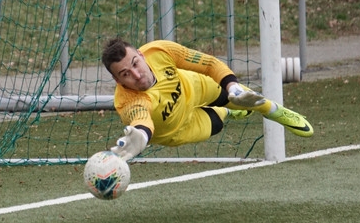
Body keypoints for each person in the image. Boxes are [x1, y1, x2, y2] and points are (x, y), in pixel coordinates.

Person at [100, 37, 313, 160]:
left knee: (244, 98)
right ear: (118, 80)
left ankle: (275, 110)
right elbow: (142, 119)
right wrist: (141, 136)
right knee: (217, 123)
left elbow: (209, 64)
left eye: (135, 63)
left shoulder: (159, 50)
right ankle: (227, 111)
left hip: (194, 86)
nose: (136, 75)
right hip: (178, 128)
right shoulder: (127, 101)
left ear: (141, 55)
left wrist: (233, 87)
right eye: (126, 74)